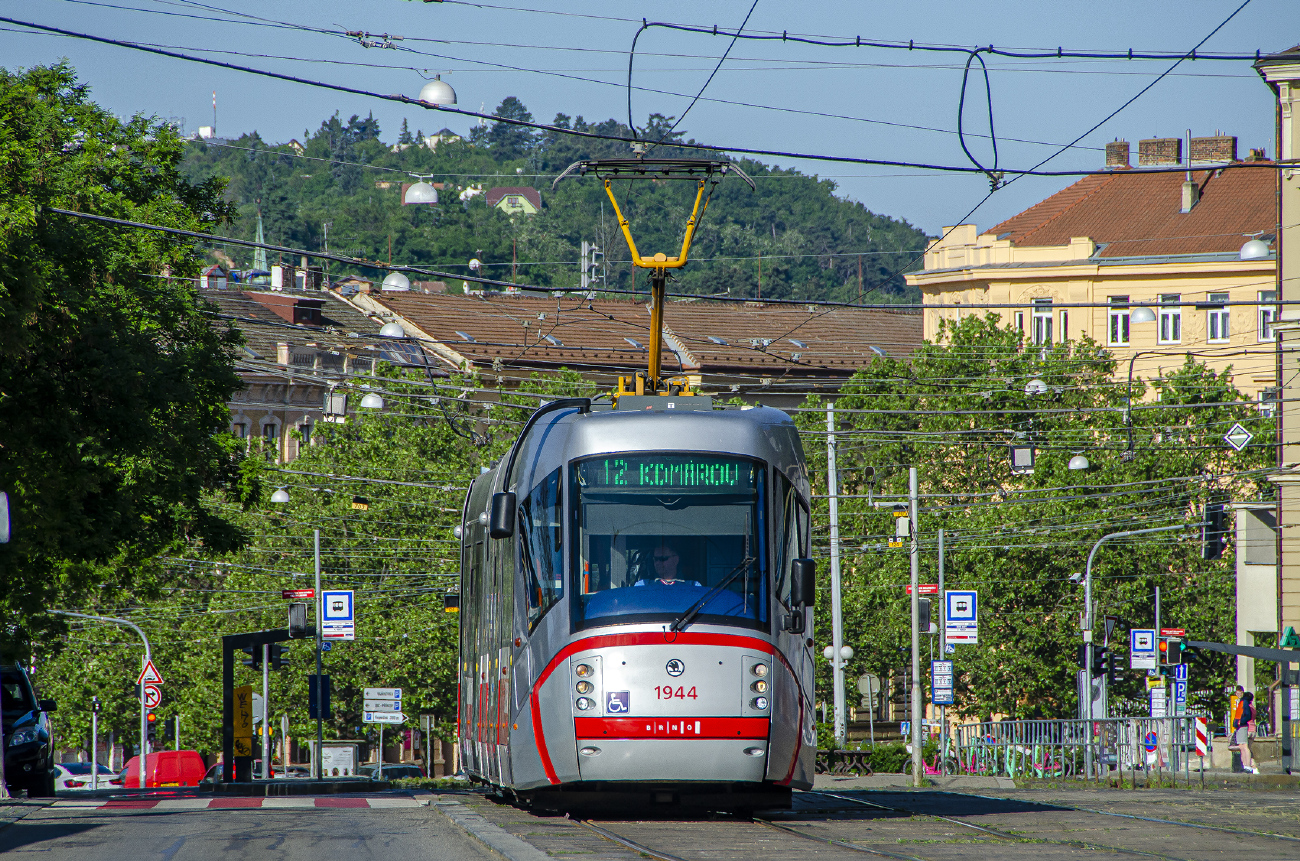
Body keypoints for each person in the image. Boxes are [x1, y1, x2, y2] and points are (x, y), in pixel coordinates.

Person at [635, 543, 701, 586]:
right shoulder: (642, 585)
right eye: (655, 559)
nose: (657, 563)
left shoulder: (693, 585)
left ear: (675, 560)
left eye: (662, 559)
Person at [1233, 691, 1259, 774]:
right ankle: (1254, 768)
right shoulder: (1252, 707)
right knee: (1249, 749)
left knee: (1244, 747)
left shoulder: (1246, 705)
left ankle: (1247, 766)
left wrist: (1240, 722)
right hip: (1253, 728)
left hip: (1247, 728)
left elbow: (1246, 716)